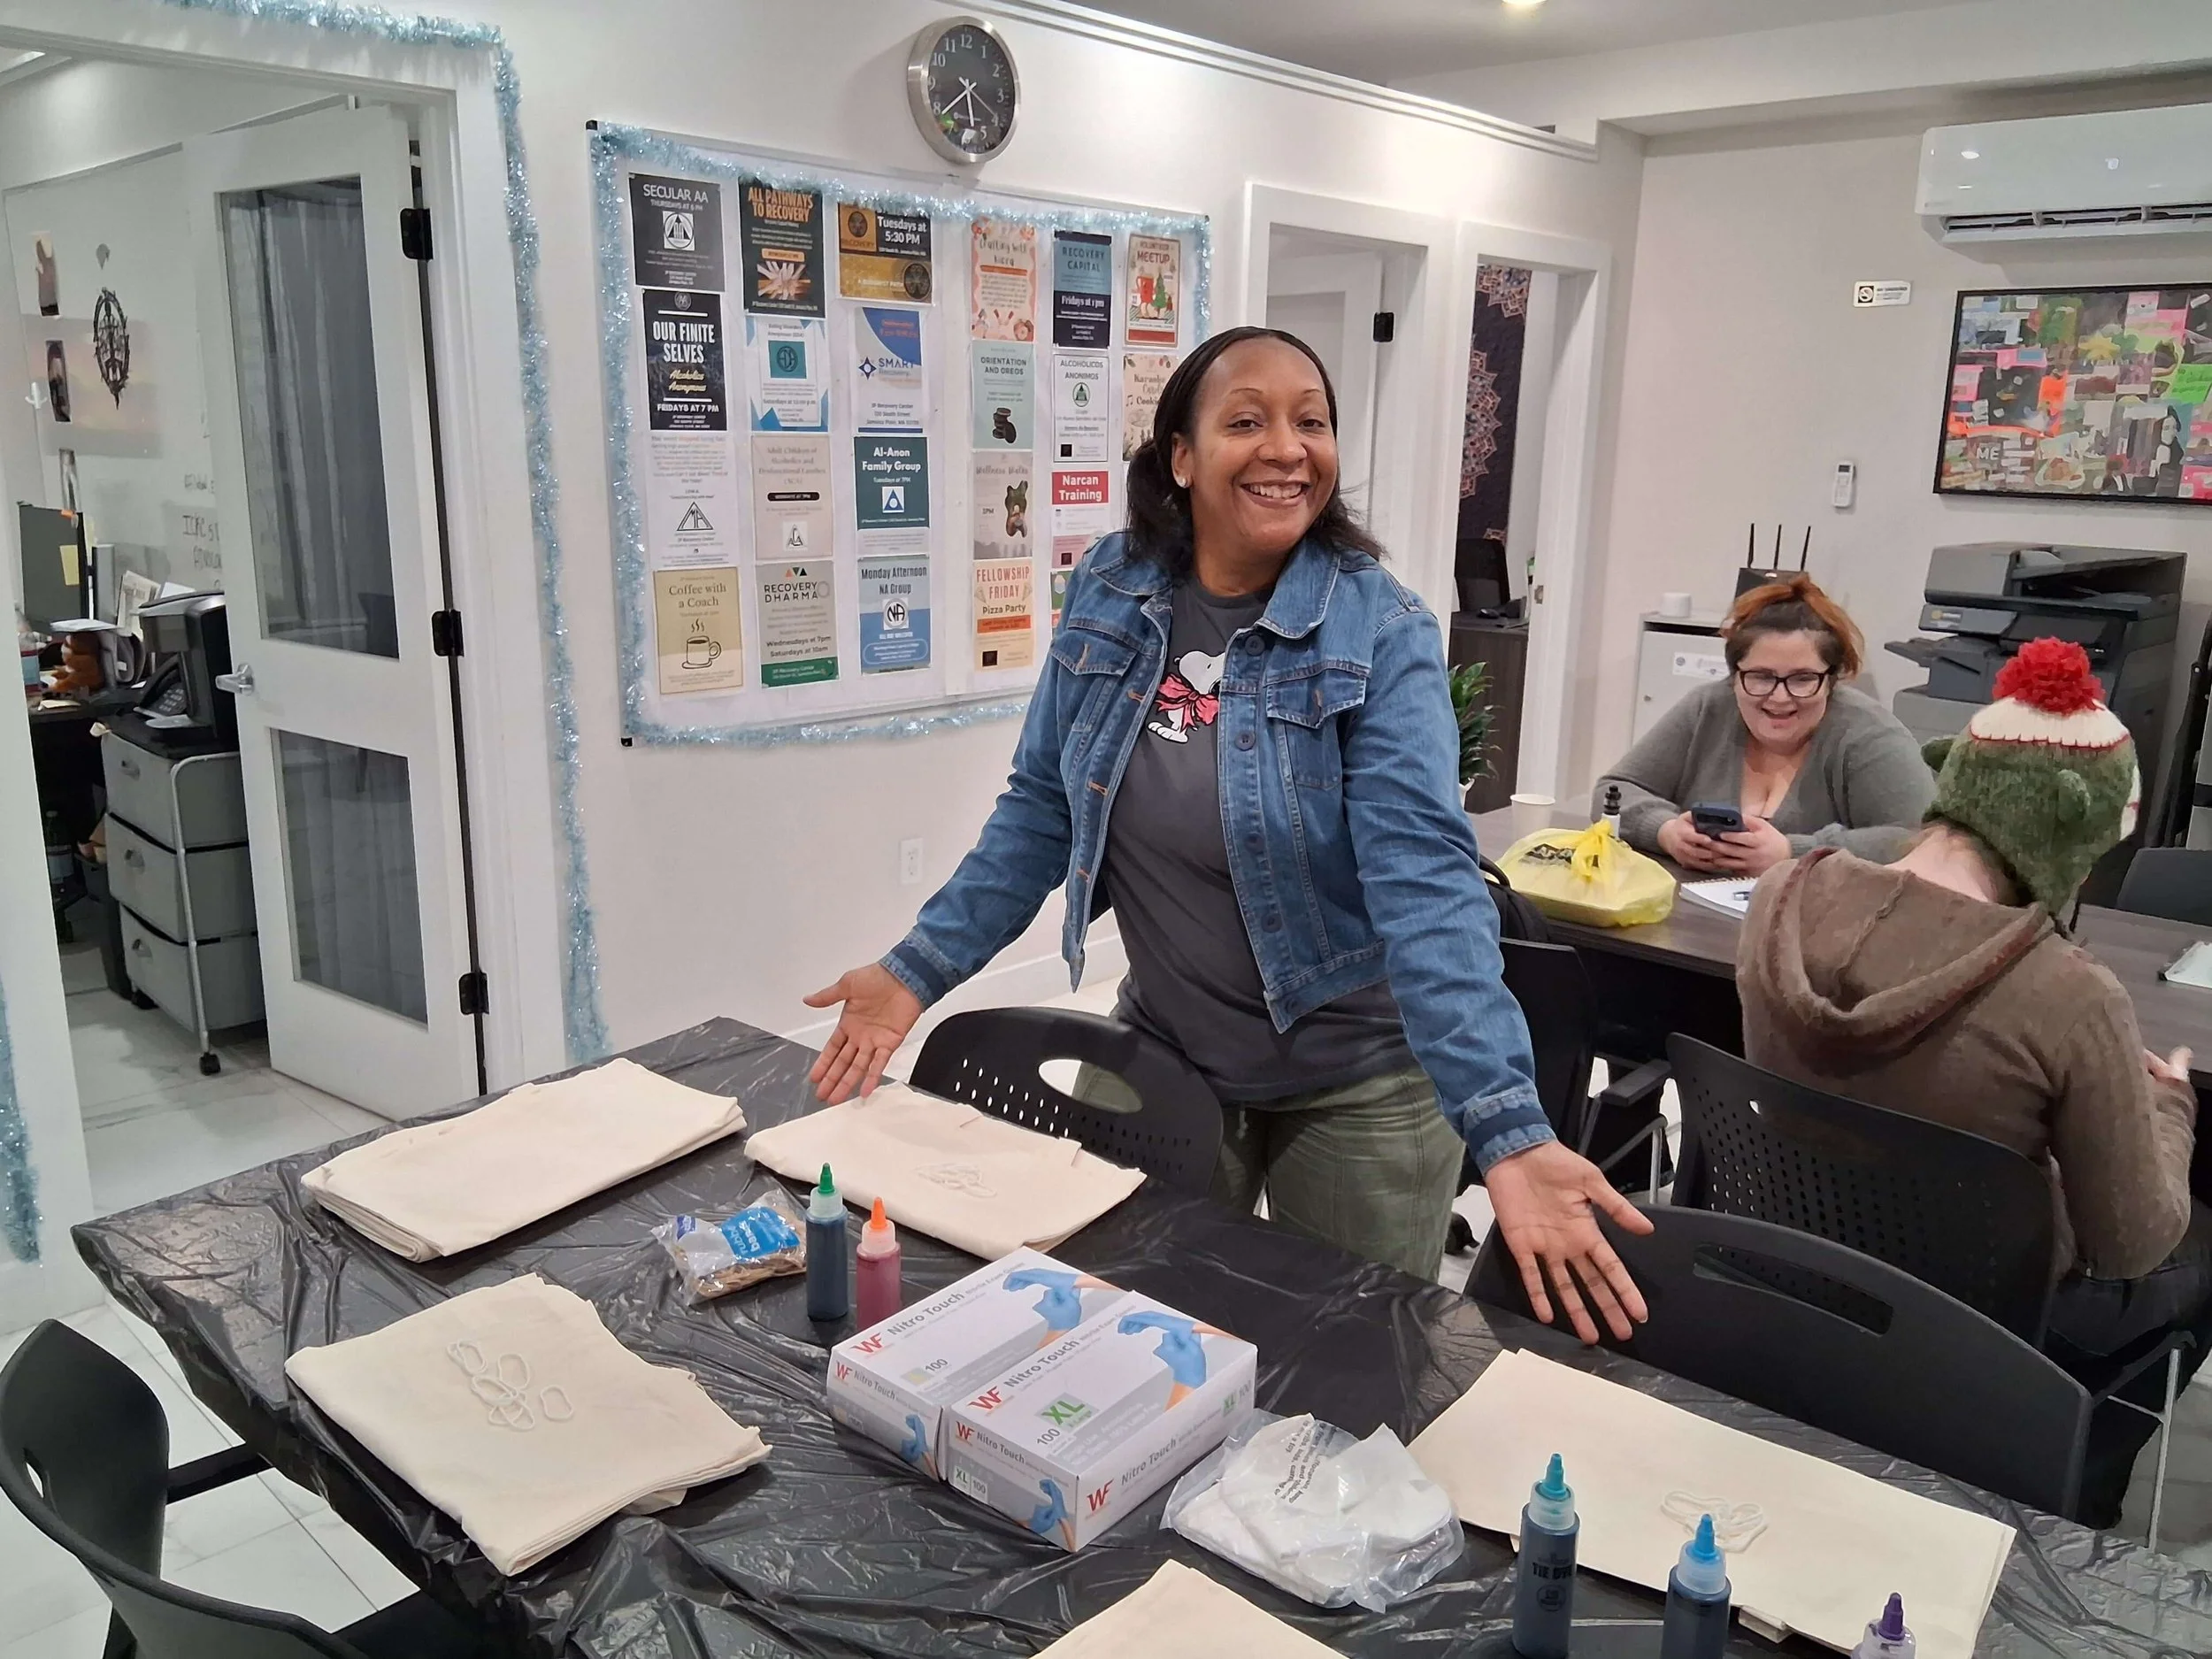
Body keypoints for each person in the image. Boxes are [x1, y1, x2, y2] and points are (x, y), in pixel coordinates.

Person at [807, 325, 1649, 1340]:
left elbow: (1424, 883)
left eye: (1312, 422)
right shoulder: (1115, 589)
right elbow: (1042, 806)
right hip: (1166, 1054)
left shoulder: (1379, 631)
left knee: (1337, 1375)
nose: (1287, 448)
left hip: (1359, 1086)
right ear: (1182, 456)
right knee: (1136, 1346)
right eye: (1246, 421)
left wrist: (1506, 1129)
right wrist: (916, 970)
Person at [1737, 637, 2207, 1525]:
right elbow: (2129, 1243)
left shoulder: (1780, 899)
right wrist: (2169, 1106)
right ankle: (2076, 1509)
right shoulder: (2067, 993)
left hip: (1793, 1269)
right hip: (1973, 1326)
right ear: (2070, 823)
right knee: (2199, 1243)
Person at [1592, 574, 1932, 878]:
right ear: (1735, 676)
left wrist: (1792, 853)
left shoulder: (1868, 733)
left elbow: (1922, 839)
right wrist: (1664, 831)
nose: (1779, 698)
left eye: (1803, 679)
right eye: (1761, 677)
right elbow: (1613, 791)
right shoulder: (1708, 708)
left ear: (1832, 679)